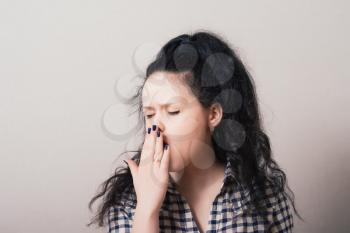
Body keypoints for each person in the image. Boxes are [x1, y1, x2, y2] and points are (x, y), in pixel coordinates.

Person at [87, 30, 303, 232]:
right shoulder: (129, 203)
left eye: (172, 111)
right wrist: (147, 209)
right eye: (150, 114)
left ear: (213, 115)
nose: (156, 127)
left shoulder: (263, 199)